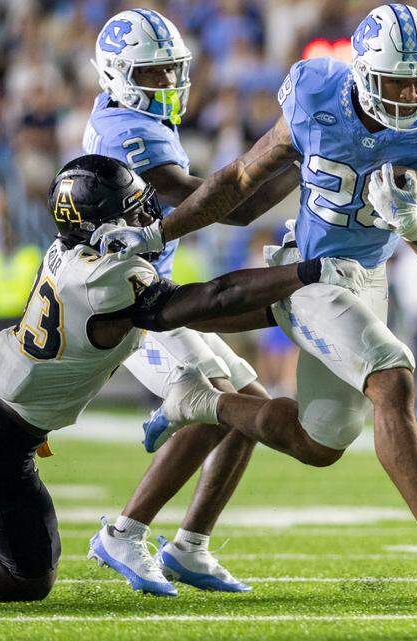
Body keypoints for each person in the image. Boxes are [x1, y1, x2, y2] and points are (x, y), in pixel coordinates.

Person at [92, 4, 417, 585]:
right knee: (392, 375)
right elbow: (241, 178)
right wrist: (160, 232)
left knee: (320, 443)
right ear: (363, 73)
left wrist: (414, 226)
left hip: (367, 278)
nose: (412, 95)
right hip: (311, 272)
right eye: (397, 81)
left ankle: (197, 417)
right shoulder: (316, 91)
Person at [0, 155, 363, 602]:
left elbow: (207, 310)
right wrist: (304, 274)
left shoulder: (67, 248)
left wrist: (281, 305)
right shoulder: (108, 279)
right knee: (26, 579)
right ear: (100, 227)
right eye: (133, 213)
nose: (147, 219)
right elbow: (215, 299)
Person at [83, 8, 302, 596]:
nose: (167, 83)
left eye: (170, 70)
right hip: (126, 305)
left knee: (249, 408)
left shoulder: (127, 114)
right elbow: (227, 208)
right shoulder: (128, 132)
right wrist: (301, 159)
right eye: (151, 73)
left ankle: (189, 547)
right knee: (219, 405)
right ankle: (124, 532)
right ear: (118, 74)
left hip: (154, 294)